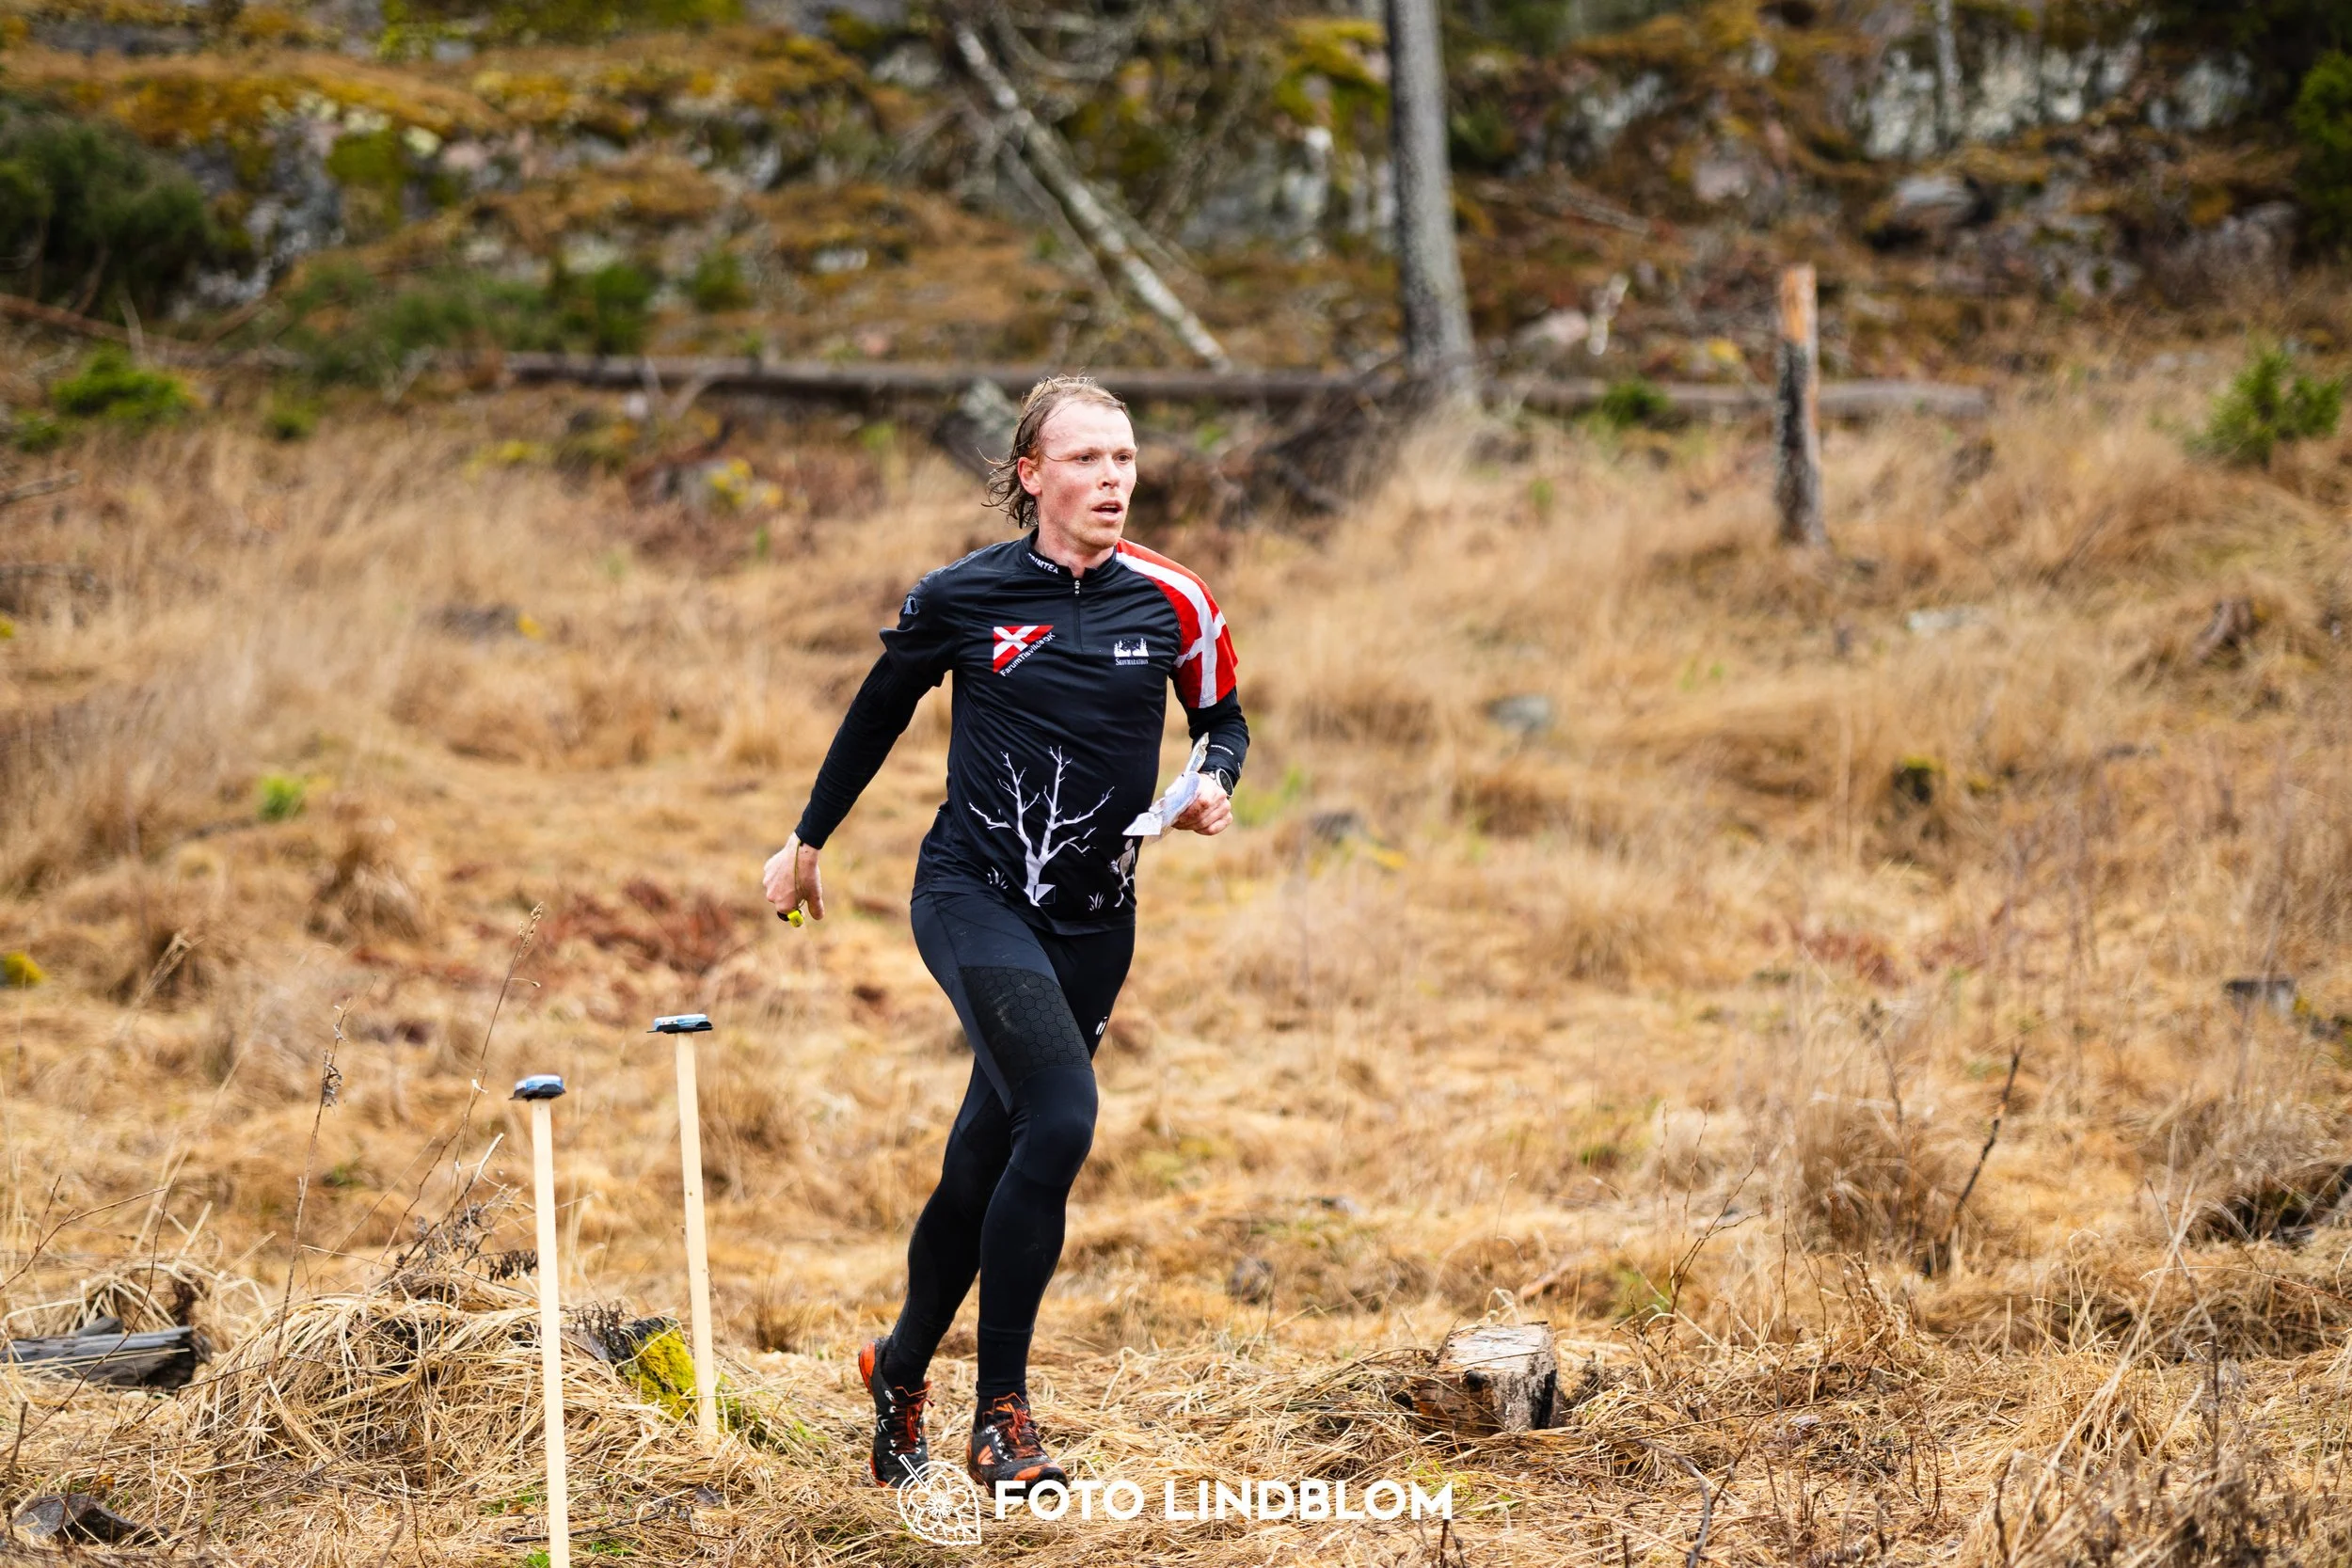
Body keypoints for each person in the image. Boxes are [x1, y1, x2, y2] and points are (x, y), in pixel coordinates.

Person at [761, 375, 1248, 1496]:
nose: (1112, 479)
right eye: (1085, 459)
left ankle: (897, 1367)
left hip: (1097, 917)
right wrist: (806, 839)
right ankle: (1003, 1416)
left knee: (987, 1152)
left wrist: (1211, 780)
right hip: (973, 895)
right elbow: (878, 708)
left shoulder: (1174, 599)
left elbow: (1222, 717)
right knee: (1063, 1115)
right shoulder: (964, 595)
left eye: (1124, 458)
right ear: (1031, 475)